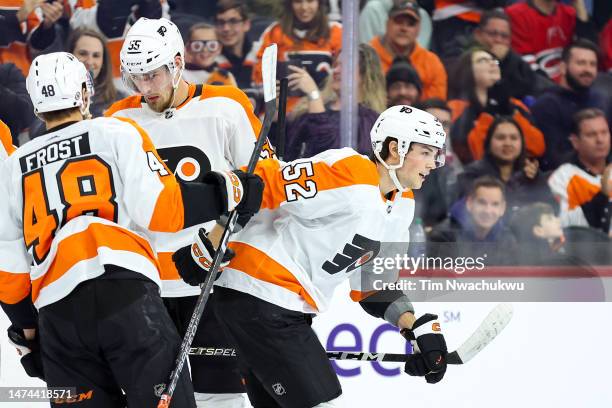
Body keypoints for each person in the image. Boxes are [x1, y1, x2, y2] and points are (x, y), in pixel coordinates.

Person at [0, 51, 263, 407]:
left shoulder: (14, 167)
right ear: (82, 92)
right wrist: (228, 192)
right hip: (126, 298)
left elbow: (9, 270)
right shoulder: (117, 131)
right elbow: (161, 210)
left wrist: (29, 334)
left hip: (59, 317)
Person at [174, 105, 451, 407]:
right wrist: (214, 238)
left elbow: (373, 285)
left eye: (435, 154)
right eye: (425, 152)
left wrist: (413, 327)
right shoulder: (351, 171)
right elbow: (267, 181)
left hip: (285, 310)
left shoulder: (402, 206)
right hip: (260, 297)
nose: (433, 162)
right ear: (395, 148)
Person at [105, 17, 274, 407]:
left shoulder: (226, 106)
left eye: (152, 75)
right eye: (135, 78)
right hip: (147, 289)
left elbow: (264, 184)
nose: (144, 88)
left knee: (222, 397)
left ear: (177, 63)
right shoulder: (117, 121)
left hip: (215, 281)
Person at [284, 43, 386, 160]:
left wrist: (313, 94)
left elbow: (331, 152)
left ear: (366, 75)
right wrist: (276, 116)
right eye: (336, 65)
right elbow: (286, 148)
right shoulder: (310, 107)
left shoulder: (371, 121)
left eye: (345, 66)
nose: (335, 70)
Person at [448, 48, 545, 164]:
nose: (492, 63)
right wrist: (488, 114)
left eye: (494, 61)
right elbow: (474, 154)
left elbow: (538, 147)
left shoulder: (515, 105)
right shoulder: (455, 108)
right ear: (467, 70)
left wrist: (510, 112)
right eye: (482, 60)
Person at [531, 40, 612, 171]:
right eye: (581, 63)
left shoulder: (602, 100)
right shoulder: (546, 105)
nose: (588, 69)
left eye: (592, 64)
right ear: (563, 67)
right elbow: (551, 158)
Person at [252, 0, 343, 113]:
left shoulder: (337, 32)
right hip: (285, 115)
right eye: (298, 1)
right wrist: (270, 88)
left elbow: (349, 76)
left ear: (320, 2)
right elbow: (258, 78)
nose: (304, 7)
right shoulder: (275, 33)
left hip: (327, 112)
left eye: (310, 1)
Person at [455, 116, 555, 211]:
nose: (507, 143)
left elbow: (552, 209)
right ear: (489, 143)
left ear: (522, 143)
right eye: (501, 138)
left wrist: (538, 181)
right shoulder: (472, 175)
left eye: (514, 138)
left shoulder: (532, 176)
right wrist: (517, 180)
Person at [548, 108, 612, 235]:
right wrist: (602, 196)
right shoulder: (562, 178)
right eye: (591, 135)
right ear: (575, 142)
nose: (600, 140)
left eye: (604, 132)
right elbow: (568, 226)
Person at [428, 176, 517, 264]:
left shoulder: (507, 240)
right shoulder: (444, 236)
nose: (488, 211)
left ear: (502, 208)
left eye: (495, 204)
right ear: (469, 203)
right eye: (482, 203)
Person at [370, 0, 447, 100]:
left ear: (418, 29)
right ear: (387, 24)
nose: (404, 28)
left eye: (410, 24)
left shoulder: (432, 63)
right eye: (398, 22)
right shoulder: (367, 57)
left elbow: (436, 107)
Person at [505, 0, 597, 82]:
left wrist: (580, 7)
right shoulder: (515, 14)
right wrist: (553, 88)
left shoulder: (569, 13)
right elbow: (525, 63)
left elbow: (588, 52)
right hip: (537, 87)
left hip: (569, 85)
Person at [470, 9, 543, 99]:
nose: (498, 40)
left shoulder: (516, 62)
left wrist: (500, 61)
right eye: (493, 34)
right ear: (478, 34)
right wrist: (496, 59)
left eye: (504, 36)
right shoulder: (463, 58)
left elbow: (529, 87)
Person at [66, 28, 128, 117]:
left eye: (96, 56)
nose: (90, 62)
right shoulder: (51, 98)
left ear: (103, 62)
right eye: (83, 53)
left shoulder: (120, 101)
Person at [215, 0, 259, 89]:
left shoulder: (261, 52)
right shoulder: (208, 57)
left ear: (246, 24)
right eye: (221, 22)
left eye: (233, 21)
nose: (226, 28)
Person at [183, 22, 237, 86]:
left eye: (212, 45)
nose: (205, 50)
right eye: (197, 46)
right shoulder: (180, 76)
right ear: (188, 48)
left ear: (219, 48)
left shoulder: (225, 76)